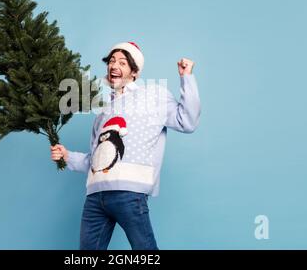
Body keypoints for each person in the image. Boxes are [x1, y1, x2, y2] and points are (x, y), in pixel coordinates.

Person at [50, 41, 201, 250]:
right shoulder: (102, 111)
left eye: (122, 62)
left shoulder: (153, 95)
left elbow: (188, 120)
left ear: (134, 72)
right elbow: (97, 160)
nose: (114, 66)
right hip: (95, 197)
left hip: (129, 194)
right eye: (111, 61)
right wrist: (67, 156)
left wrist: (187, 78)